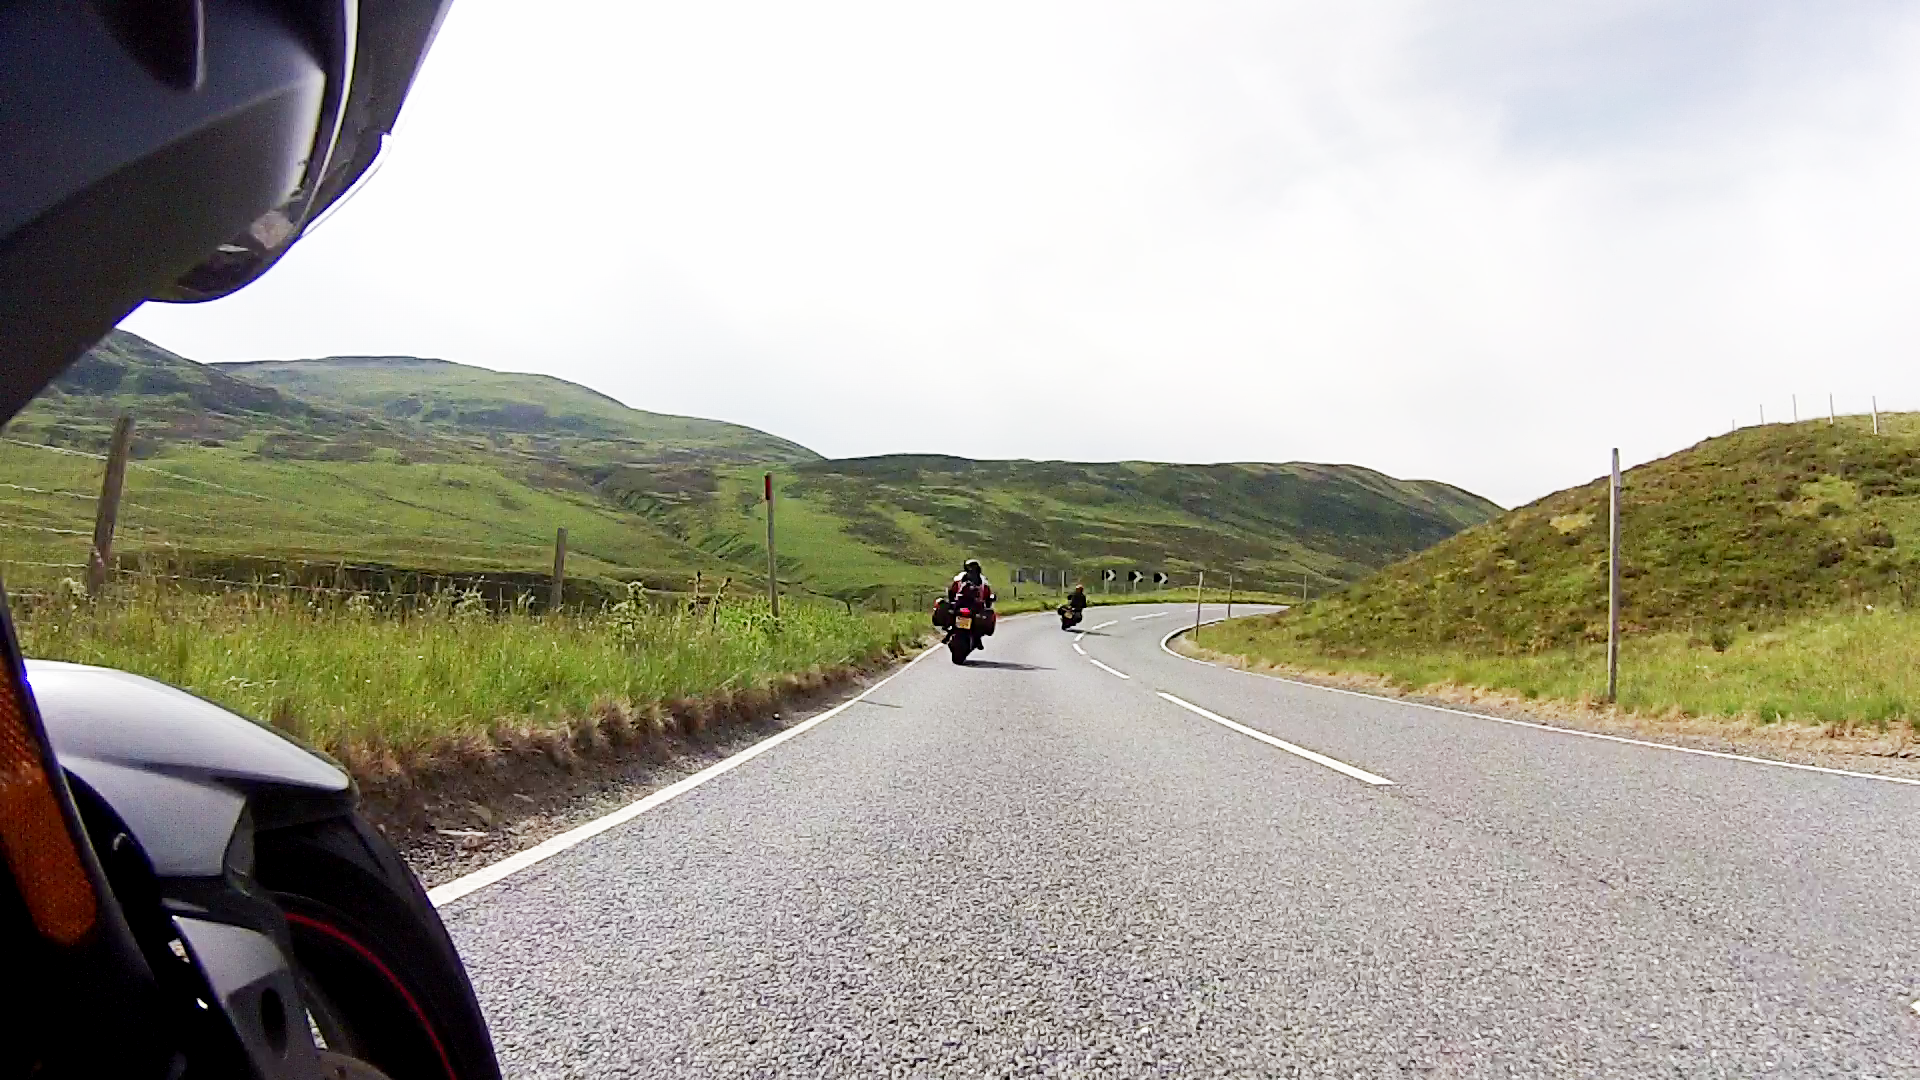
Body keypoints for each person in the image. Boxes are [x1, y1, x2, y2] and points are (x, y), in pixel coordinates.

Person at [947, 558, 996, 648]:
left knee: (979, 620)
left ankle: (977, 638)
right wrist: (952, 602)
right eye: (971, 569)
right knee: (952, 614)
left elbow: (987, 596)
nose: (972, 571)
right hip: (963, 605)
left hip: (972, 605)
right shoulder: (959, 580)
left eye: (974, 569)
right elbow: (952, 591)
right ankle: (951, 632)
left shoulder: (982, 582)